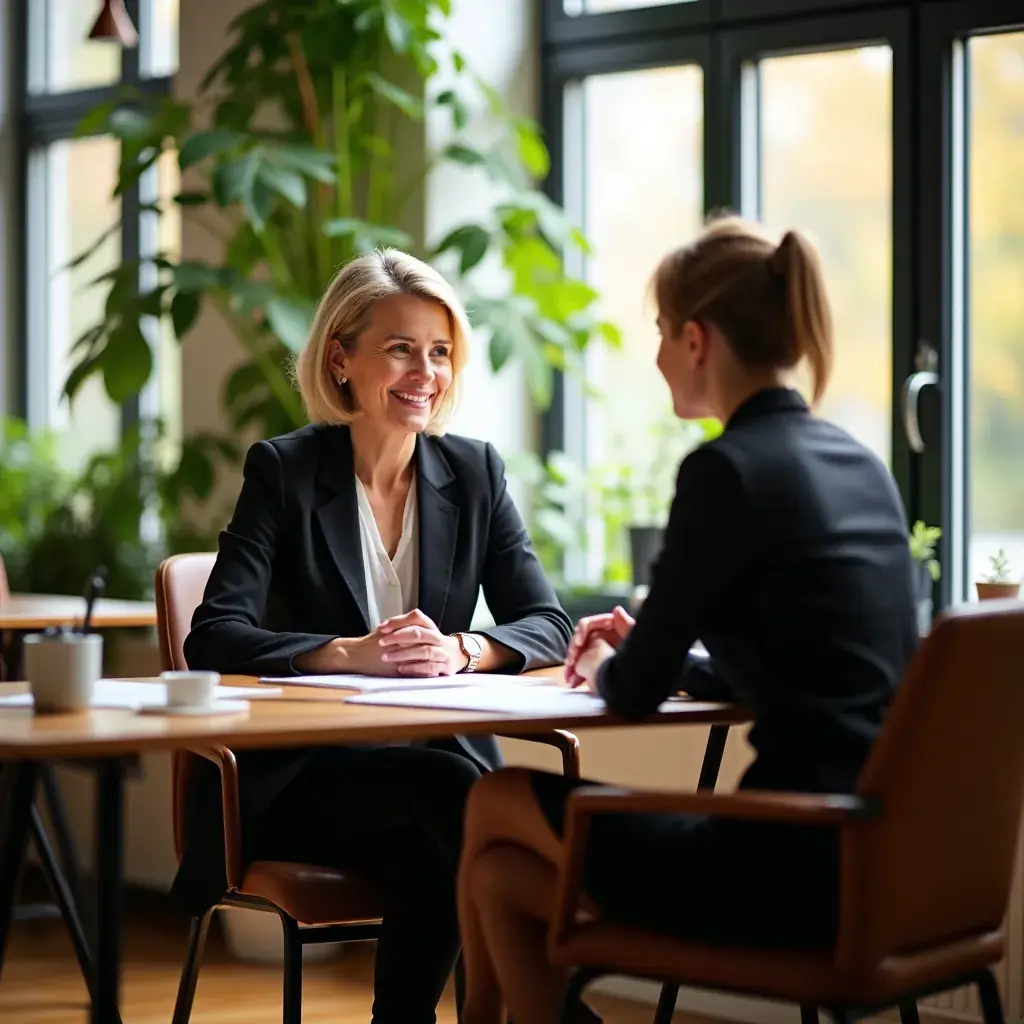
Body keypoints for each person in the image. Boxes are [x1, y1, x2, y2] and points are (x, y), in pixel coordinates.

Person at [456, 215, 919, 1024]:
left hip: (785, 860)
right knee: (497, 880)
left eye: (664, 332)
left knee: (493, 798)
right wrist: (665, 656)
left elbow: (630, 697)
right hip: (884, 859)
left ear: (698, 340)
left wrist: (611, 664)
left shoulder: (724, 472)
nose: (660, 352)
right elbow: (809, 666)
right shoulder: (858, 463)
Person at [171, 248, 572, 1024]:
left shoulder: (476, 474)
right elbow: (214, 635)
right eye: (400, 349)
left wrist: (465, 648)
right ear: (341, 358)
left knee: (439, 849)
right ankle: (549, 1009)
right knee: (464, 800)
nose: (426, 372)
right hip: (297, 786)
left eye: (440, 351)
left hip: (419, 787)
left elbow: (547, 623)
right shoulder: (283, 472)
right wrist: (344, 652)